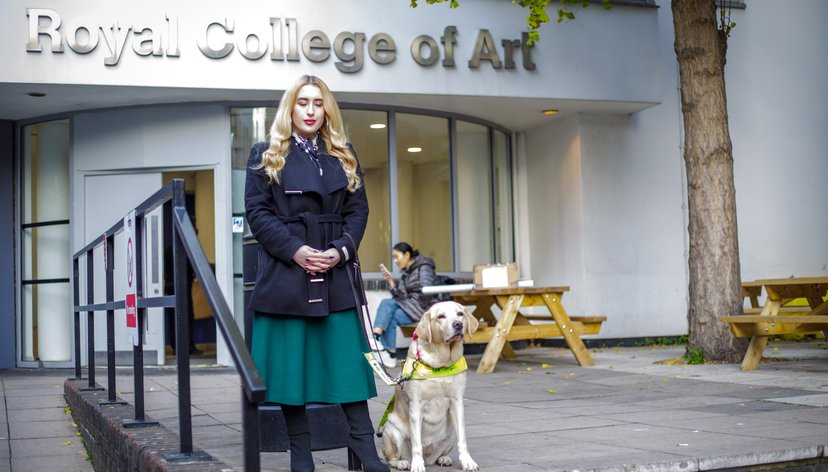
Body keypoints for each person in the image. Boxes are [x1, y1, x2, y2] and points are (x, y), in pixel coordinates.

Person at [245, 75, 388, 472]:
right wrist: (295, 251)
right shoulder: (265, 153)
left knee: (348, 368)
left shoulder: (343, 152)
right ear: (289, 108)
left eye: (318, 103)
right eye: (302, 102)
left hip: (335, 271)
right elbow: (257, 213)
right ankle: (301, 456)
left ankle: (367, 453)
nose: (310, 110)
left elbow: (358, 211)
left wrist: (341, 249)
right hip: (286, 273)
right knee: (291, 374)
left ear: (327, 110)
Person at [373, 242, 437, 368]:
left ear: (407, 254)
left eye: (397, 256)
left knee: (387, 303)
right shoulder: (406, 273)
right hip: (410, 308)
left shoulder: (424, 267)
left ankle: (376, 337)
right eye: (393, 258)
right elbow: (400, 296)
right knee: (392, 314)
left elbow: (427, 291)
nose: (395, 261)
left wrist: (410, 301)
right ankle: (391, 355)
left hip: (423, 308)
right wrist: (391, 281)